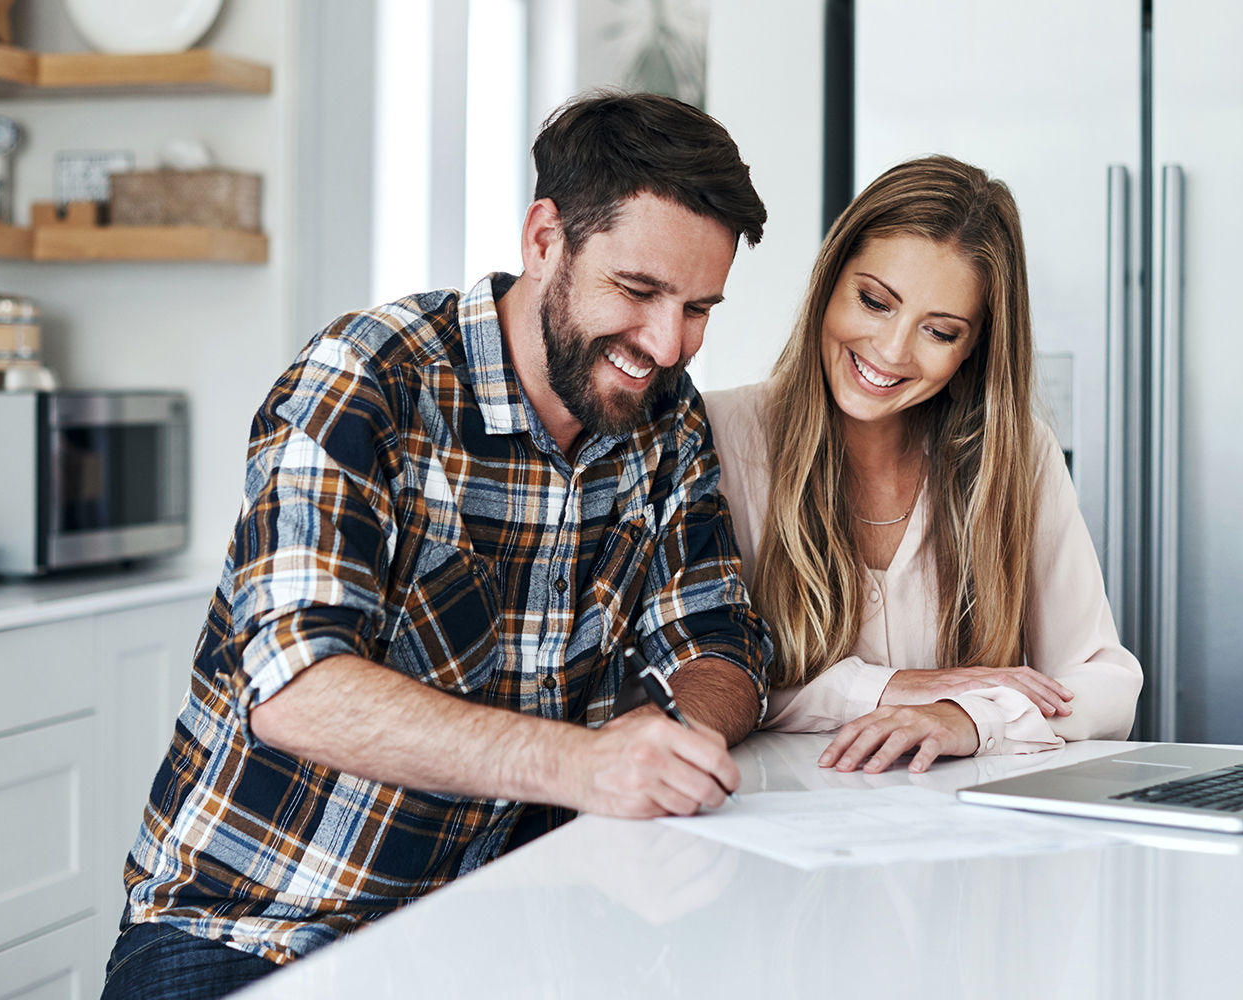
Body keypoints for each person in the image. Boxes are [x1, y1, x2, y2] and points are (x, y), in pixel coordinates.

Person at [101, 92, 773, 1000]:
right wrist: (580, 763)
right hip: (262, 926)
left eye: (698, 307)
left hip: (507, 923)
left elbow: (719, 643)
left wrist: (672, 748)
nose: (666, 343)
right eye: (640, 291)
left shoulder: (665, 420)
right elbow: (295, 686)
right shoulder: (368, 379)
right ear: (545, 240)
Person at [704, 155, 1142, 774]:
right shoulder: (715, 437)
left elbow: (1105, 681)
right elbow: (691, 686)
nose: (890, 350)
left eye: (939, 332)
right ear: (830, 280)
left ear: (973, 349)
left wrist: (969, 718)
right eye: (874, 301)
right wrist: (890, 686)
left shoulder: (1017, 455)